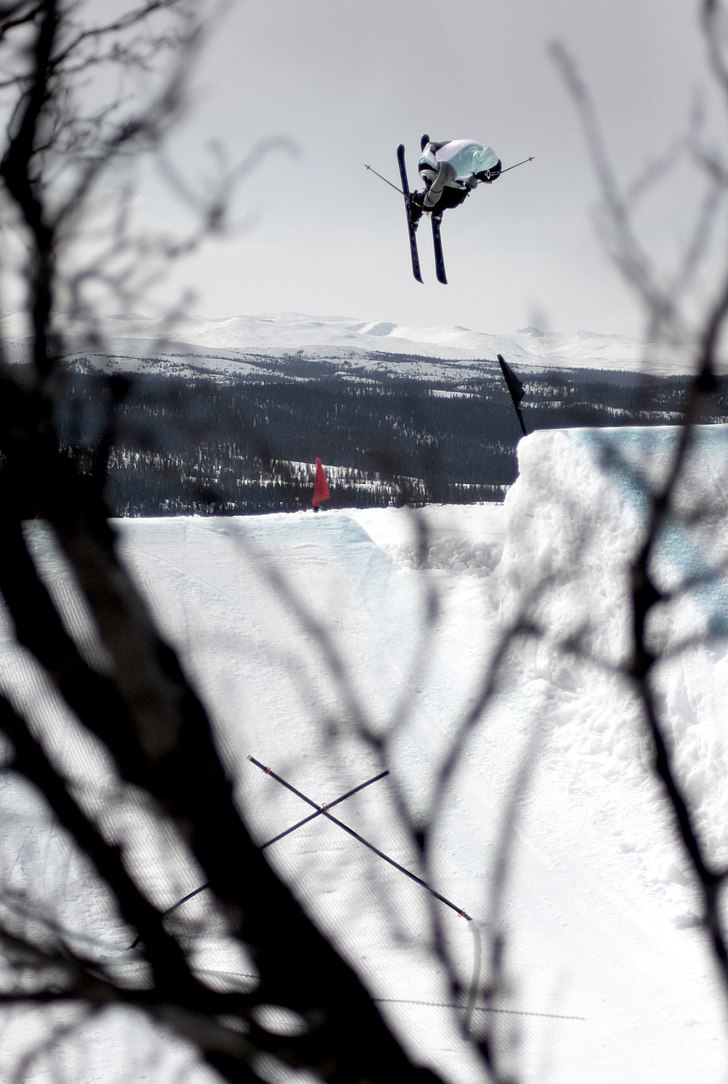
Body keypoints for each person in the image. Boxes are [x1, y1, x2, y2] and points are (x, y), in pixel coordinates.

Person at [410, 135, 501, 226]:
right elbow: (440, 182)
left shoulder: (478, 154)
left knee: (458, 191)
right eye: (483, 178)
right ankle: (416, 203)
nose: (481, 180)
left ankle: (437, 205)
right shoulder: (457, 165)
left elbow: (472, 175)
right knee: (454, 198)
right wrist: (428, 206)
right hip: (428, 165)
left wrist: (469, 186)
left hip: (435, 158)